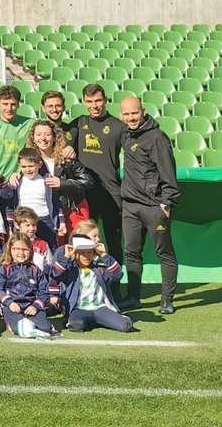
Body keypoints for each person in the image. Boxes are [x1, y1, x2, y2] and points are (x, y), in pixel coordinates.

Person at [118, 96, 180, 314]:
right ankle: (133, 298)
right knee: (132, 252)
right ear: (121, 115)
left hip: (155, 206)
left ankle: (167, 300)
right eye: (126, 114)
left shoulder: (157, 138)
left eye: (134, 113)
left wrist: (167, 202)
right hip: (130, 206)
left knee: (164, 252)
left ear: (143, 111)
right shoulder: (126, 134)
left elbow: (168, 172)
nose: (131, 117)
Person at [69, 84, 126, 294]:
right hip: (86, 195)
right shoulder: (78, 124)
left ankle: (115, 288)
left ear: (105, 100)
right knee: (84, 243)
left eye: (98, 101)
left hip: (112, 194)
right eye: (90, 101)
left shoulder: (118, 126)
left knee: (113, 242)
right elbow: (55, 137)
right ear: (84, 102)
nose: (94, 105)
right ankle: (86, 288)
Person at [50, 232, 133, 332]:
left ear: (94, 254)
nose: (86, 256)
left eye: (89, 252)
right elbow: (55, 275)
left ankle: (104, 319)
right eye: (82, 253)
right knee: (75, 326)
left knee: (126, 326)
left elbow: (118, 274)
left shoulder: (100, 270)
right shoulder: (70, 271)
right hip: (79, 309)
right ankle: (94, 321)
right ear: (76, 254)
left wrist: (104, 255)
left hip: (100, 308)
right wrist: (66, 257)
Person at [24, 119, 94, 233]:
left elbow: (88, 182)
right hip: (50, 211)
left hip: (73, 209)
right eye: (38, 134)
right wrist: (14, 175)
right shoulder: (31, 160)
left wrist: (62, 184)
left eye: (47, 134)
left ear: (54, 137)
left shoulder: (66, 156)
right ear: (33, 138)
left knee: (79, 245)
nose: (43, 138)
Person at [0, 233, 56, 339]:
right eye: (17, 249)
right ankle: (12, 324)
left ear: (31, 251)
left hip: (31, 307)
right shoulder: (5, 269)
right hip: (13, 307)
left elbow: (44, 292)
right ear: (10, 250)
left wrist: (35, 306)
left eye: (25, 249)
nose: (21, 253)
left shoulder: (36, 270)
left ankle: (33, 321)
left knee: (45, 328)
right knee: (19, 329)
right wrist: (9, 303)